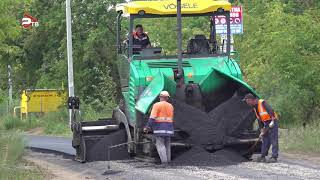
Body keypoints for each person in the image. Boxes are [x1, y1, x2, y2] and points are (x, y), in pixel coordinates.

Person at [243, 93, 279, 163]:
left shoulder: (261, 102)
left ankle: (274, 157)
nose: (247, 103)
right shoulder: (255, 107)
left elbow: (270, 110)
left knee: (273, 139)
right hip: (266, 123)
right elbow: (259, 119)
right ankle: (263, 156)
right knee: (265, 139)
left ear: (250, 100)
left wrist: (272, 120)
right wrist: (262, 130)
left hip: (272, 121)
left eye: (247, 101)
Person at [144, 91, 174, 165]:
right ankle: (168, 161)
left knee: (160, 145)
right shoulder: (171, 106)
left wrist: (147, 127)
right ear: (167, 98)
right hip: (169, 128)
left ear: (160, 97)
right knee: (167, 145)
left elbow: (152, 118)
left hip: (160, 128)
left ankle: (164, 162)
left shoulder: (156, 105)